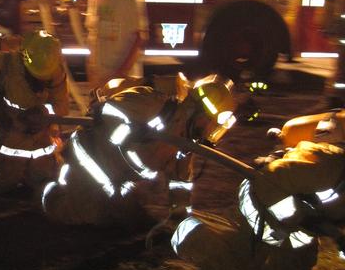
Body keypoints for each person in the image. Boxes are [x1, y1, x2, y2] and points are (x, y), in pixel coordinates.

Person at [170, 110, 345, 270]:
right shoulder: (326, 165)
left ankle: (263, 255)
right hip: (261, 208)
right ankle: (189, 232)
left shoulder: (334, 168)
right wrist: (300, 220)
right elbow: (269, 182)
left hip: (294, 222)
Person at [41, 73, 237, 229]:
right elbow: (107, 110)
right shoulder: (154, 102)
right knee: (90, 215)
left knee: (126, 221)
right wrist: (129, 129)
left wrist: (179, 215)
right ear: (198, 111)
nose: (209, 131)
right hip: (89, 157)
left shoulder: (185, 142)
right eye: (209, 123)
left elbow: (181, 180)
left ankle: (98, 198)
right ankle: (49, 189)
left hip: (116, 176)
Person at [0, 29, 70, 193]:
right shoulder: (4, 63)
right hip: (9, 133)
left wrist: (43, 113)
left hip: (40, 140)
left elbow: (62, 106)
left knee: (45, 184)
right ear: (24, 57)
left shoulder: (55, 72)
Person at [72, 0, 148, 91]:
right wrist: (92, 70)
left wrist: (121, 73)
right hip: (100, 79)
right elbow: (93, 35)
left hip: (122, 82)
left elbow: (139, 39)